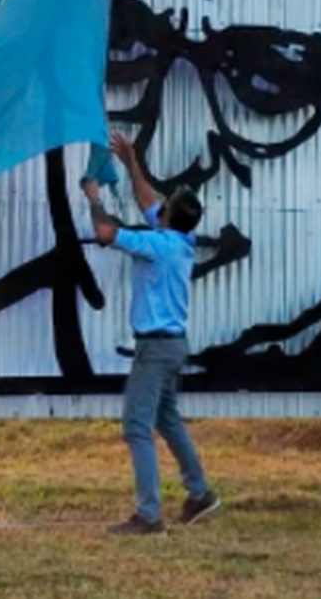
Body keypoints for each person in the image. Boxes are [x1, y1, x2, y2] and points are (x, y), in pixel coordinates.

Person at [83, 130, 220, 536]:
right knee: (168, 419)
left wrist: (93, 197)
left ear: (166, 217)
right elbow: (149, 201)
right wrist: (131, 163)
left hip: (155, 347)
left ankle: (148, 516)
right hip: (174, 345)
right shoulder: (182, 239)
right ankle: (200, 494)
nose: (157, 206)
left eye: (164, 207)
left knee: (136, 428)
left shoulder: (156, 244)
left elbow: (107, 234)